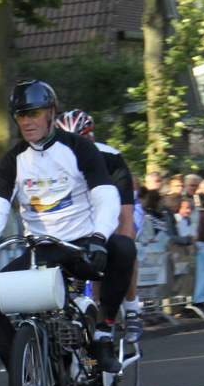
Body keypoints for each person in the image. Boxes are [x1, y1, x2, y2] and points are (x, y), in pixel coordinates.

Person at [0, 80, 136, 386]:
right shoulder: (14, 159)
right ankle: (24, 382)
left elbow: (105, 195)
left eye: (33, 113)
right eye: (20, 115)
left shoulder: (79, 149)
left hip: (82, 244)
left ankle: (103, 333)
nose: (27, 121)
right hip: (42, 249)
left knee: (124, 247)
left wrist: (99, 237)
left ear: (50, 114)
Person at [55, 108, 144, 337]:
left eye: (79, 141)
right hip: (82, 215)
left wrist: (115, 255)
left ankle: (132, 308)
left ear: (91, 139)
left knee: (123, 247)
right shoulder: (51, 162)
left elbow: (125, 219)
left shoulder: (111, 159)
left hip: (115, 209)